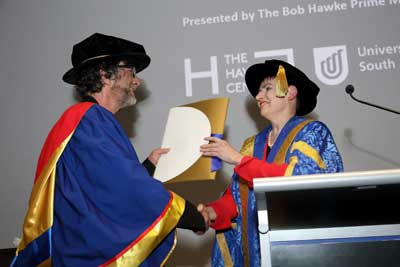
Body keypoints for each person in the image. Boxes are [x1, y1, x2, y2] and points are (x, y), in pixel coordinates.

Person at [11, 33, 208, 267]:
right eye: (132, 72)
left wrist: (148, 166)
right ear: (105, 75)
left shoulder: (83, 121)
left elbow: (103, 190)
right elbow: (128, 188)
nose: (137, 81)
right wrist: (193, 217)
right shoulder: (90, 119)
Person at [199, 59, 344, 266]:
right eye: (258, 92)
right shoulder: (252, 145)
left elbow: (298, 181)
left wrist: (238, 159)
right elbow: (237, 199)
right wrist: (210, 213)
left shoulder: (312, 132)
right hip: (257, 255)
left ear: (290, 92)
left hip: (300, 252)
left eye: (267, 88)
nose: (258, 97)